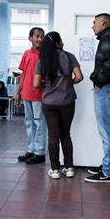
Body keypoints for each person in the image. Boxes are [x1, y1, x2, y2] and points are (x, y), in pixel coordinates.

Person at [34, 32, 83, 179]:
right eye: (61, 40)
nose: (62, 42)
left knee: (53, 136)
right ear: (57, 43)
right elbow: (79, 77)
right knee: (65, 134)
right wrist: (68, 83)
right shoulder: (69, 56)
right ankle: (69, 168)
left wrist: (47, 84)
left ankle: (55, 170)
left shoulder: (42, 60)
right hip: (67, 102)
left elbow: (36, 84)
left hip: (49, 103)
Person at [85, 13, 110, 183]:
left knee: (107, 132)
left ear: (103, 23)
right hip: (109, 89)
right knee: (107, 131)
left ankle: (107, 171)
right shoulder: (109, 38)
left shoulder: (107, 39)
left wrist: (99, 82)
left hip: (106, 89)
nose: (92, 26)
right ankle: (107, 165)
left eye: (94, 22)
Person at [15, 27, 47, 164]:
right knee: (29, 123)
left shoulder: (45, 55)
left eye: (42, 36)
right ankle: (31, 150)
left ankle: (40, 153)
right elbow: (23, 74)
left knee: (39, 123)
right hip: (26, 94)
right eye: (37, 36)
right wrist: (17, 92)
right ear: (30, 38)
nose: (39, 39)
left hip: (39, 95)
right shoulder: (26, 53)